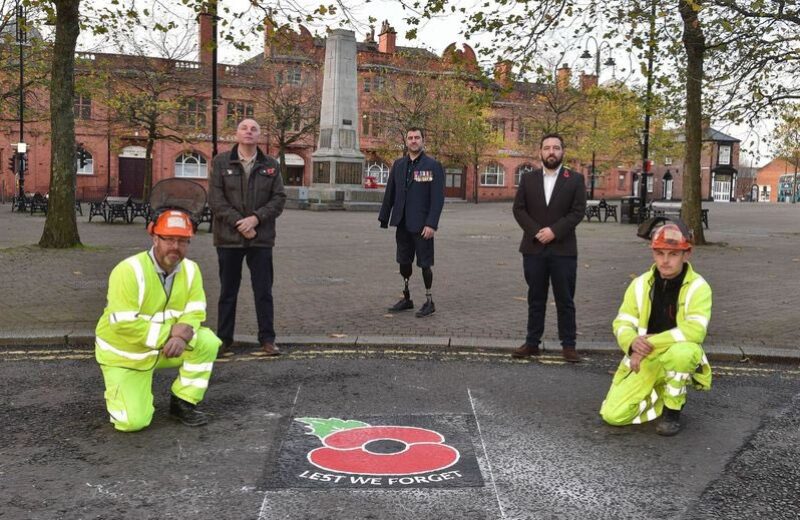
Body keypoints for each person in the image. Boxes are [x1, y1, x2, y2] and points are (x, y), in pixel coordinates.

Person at [95, 209, 221, 431]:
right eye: (169, 239)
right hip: (127, 356)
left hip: (163, 348)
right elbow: (123, 323)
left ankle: (183, 402)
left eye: (182, 241)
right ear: (154, 238)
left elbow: (195, 311)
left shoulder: (192, 270)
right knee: (132, 423)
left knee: (208, 342)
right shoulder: (128, 270)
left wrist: (181, 337)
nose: (175, 246)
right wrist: (169, 336)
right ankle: (125, 393)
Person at [599, 219, 713, 436]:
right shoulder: (640, 284)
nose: (665, 261)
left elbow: (695, 331)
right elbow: (622, 322)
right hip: (646, 358)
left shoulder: (699, 287)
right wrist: (632, 343)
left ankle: (673, 408)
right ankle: (662, 394)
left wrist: (646, 344)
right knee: (613, 416)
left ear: (686, 254)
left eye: (673, 254)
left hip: (671, 353)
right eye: (660, 253)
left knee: (684, 352)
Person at [209, 118, 287, 357]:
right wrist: (239, 223)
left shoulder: (270, 165)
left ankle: (267, 339)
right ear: (236, 134)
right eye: (244, 128)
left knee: (263, 290)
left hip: (260, 238)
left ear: (259, 135)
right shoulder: (221, 163)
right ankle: (224, 340)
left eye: (254, 129)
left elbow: (278, 198)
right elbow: (216, 199)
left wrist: (255, 219)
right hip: (228, 238)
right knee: (227, 291)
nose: (249, 132)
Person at [511, 133, 587, 362]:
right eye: (547, 148)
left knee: (565, 299)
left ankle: (569, 346)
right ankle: (532, 343)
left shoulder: (574, 179)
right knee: (536, 298)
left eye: (556, 147)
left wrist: (554, 231)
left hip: (563, 249)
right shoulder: (528, 179)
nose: (551, 151)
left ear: (563, 151)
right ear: (540, 152)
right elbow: (519, 209)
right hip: (533, 249)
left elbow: (577, 211)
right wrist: (537, 231)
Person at [378, 127, 445, 318]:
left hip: (423, 225)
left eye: (417, 138)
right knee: (403, 262)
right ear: (406, 141)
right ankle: (407, 298)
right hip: (402, 223)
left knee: (425, 264)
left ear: (423, 140)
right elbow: (390, 192)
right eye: (410, 138)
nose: (414, 141)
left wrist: (432, 224)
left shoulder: (432, 166)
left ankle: (429, 300)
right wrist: (384, 217)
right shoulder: (398, 165)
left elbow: (437, 198)